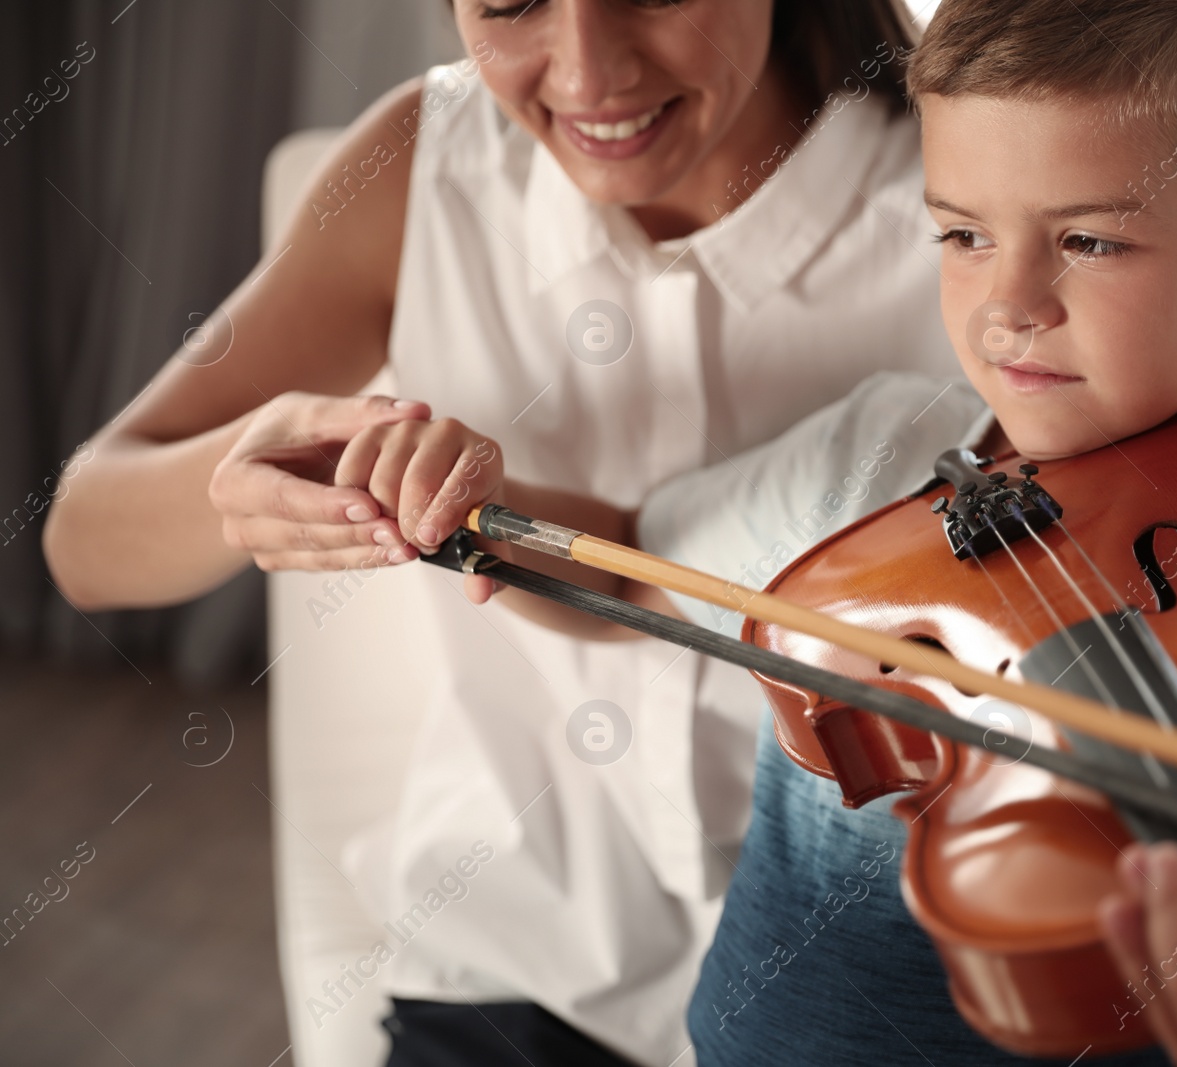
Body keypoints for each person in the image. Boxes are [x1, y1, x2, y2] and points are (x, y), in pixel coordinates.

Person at [300, 0, 1177, 1063]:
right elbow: (635, 566)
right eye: (963, 233)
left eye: (1088, 240)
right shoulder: (869, 462)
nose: (1008, 304)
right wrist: (481, 504)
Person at [41, 2, 958, 1064]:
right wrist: (244, 460)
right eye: (513, 0)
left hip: (882, 973)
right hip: (523, 968)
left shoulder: (973, 188)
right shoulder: (423, 164)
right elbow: (82, 539)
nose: (588, 71)